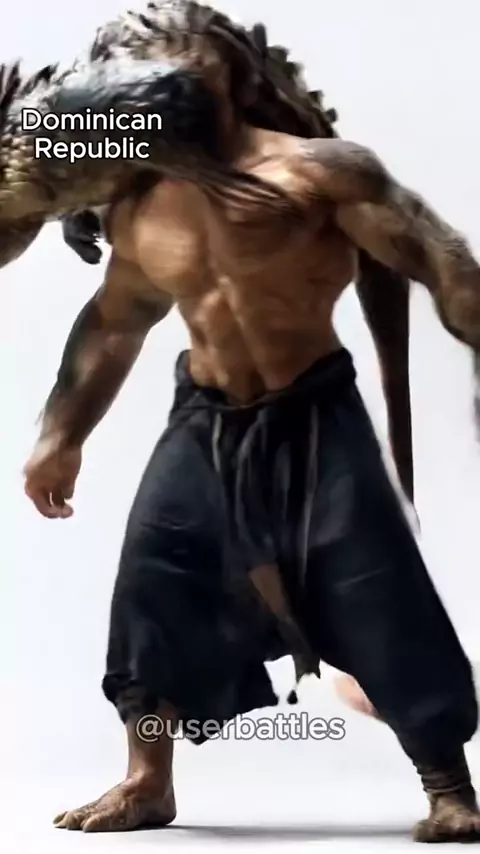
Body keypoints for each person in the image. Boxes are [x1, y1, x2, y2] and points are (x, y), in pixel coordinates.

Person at [22, 1, 480, 842]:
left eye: (180, 63)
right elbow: (116, 322)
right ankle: (147, 780)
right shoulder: (138, 200)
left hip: (314, 411)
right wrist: (61, 436)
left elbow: (439, 260)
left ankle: (448, 785)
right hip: (204, 417)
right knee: (152, 586)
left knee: (377, 589)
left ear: (229, 74)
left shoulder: (319, 175)